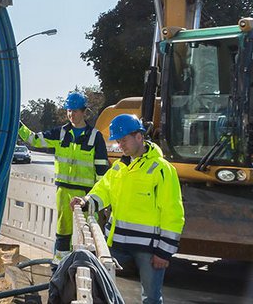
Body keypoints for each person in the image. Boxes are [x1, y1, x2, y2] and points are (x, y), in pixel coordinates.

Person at [72, 114, 183, 304]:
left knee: (151, 298)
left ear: (138, 136)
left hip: (149, 249)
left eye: (123, 140)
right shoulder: (119, 167)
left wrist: (164, 252)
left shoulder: (162, 169)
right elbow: (103, 191)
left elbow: (172, 212)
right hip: (117, 244)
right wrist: (86, 201)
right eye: (118, 141)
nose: (120, 145)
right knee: (105, 291)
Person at [18, 91, 109, 254]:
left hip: (86, 195)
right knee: (63, 233)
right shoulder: (60, 133)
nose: (71, 115)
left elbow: (102, 172)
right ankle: (59, 263)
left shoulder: (95, 137)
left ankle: (87, 264)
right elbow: (34, 140)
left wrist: (99, 199)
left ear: (84, 112)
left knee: (88, 235)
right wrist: (17, 125)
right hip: (63, 192)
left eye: (75, 111)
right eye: (69, 111)